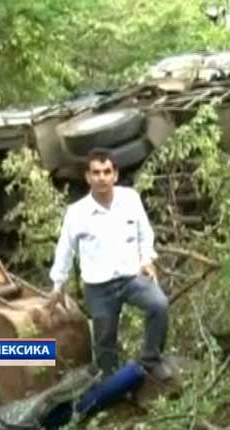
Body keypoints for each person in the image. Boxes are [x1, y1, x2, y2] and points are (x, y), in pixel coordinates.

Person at [48, 148, 170, 379]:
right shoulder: (77, 213)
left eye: (106, 172)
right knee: (105, 342)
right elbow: (65, 249)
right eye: (96, 173)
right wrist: (58, 284)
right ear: (88, 177)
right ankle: (110, 378)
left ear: (115, 174)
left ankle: (151, 361)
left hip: (131, 278)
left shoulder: (130, 199)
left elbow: (145, 233)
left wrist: (147, 260)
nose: (102, 178)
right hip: (98, 287)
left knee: (159, 304)